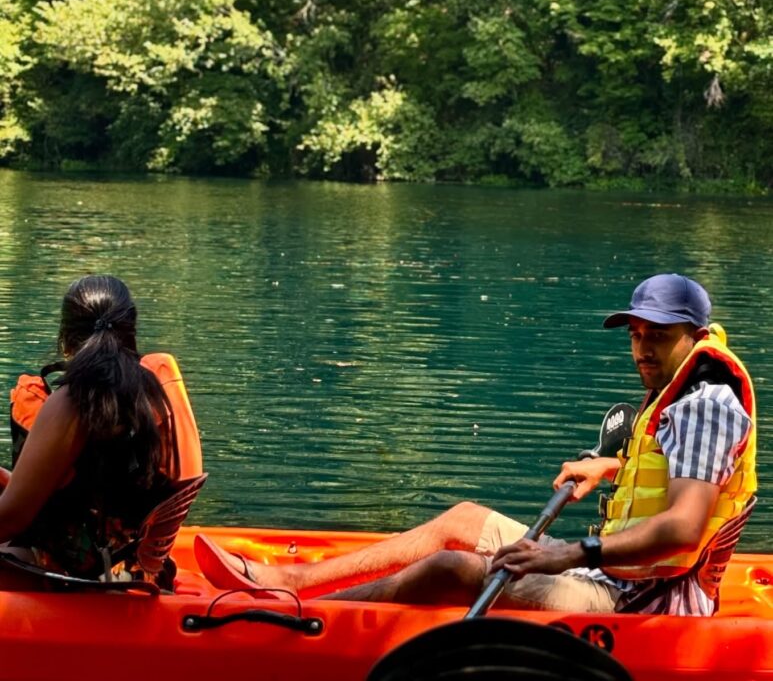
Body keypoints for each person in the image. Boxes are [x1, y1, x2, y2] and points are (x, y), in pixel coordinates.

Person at [195, 273, 756, 616]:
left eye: (658, 337)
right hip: (615, 575)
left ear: (698, 337)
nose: (642, 350)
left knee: (455, 568)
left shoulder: (705, 403)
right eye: (636, 335)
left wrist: (564, 554)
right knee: (463, 519)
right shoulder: (681, 394)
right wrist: (610, 466)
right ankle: (292, 581)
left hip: (642, 600)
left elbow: (682, 527)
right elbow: (674, 470)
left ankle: (299, 621)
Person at [0, 274, 202, 587]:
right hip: (136, 570)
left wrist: (15, 498)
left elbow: (10, 519)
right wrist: (19, 484)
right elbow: (107, 491)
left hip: (69, 578)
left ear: (66, 337)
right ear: (131, 329)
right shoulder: (157, 390)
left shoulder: (70, 402)